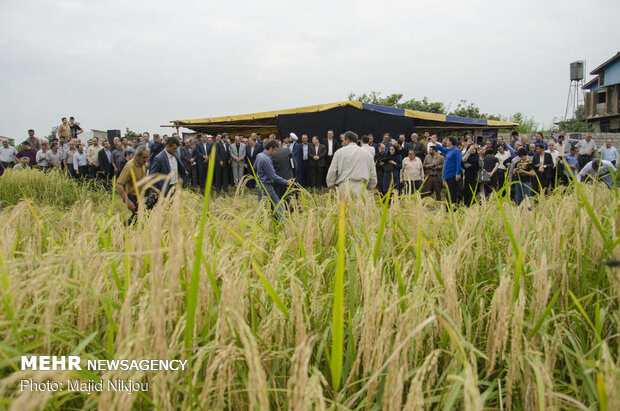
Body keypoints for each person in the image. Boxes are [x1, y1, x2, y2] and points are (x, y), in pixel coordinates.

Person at [116, 146, 160, 225]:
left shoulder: (143, 164)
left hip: (139, 195)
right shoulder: (130, 166)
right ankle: (117, 230)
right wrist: (127, 201)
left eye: (148, 157)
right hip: (130, 196)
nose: (146, 160)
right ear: (137, 156)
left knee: (139, 216)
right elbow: (119, 184)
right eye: (144, 157)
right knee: (138, 215)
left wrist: (155, 189)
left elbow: (144, 180)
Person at [326, 131, 377, 198]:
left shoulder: (339, 153)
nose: (342, 142)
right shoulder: (367, 154)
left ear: (347, 140)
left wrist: (331, 187)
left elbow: (332, 172)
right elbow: (373, 175)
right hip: (361, 188)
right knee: (360, 208)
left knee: (344, 208)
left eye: (343, 140)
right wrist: (369, 187)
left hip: (344, 187)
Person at [254, 139, 294, 220]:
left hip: (259, 185)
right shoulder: (266, 160)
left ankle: (258, 221)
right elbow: (273, 176)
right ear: (271, 148)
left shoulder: (259, 155)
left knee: (261, 204)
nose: (275, 152)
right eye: (275, 150)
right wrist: (286, 182)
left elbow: (254, 169)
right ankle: (283, 223)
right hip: (266, 186)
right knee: (276, 203)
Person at [432, 135, 462, 206]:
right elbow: (441, 148)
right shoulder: (449, 150)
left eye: (447, 140)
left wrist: (458, 173)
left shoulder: (456, 150)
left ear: (451, 142)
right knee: (448, 192)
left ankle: (453, 207)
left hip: (453, 174)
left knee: (452, 192)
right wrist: (434, 142)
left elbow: (458, 162)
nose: (446, 142)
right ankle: (449, 207)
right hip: (447, 174)